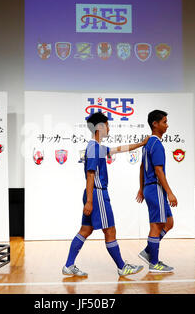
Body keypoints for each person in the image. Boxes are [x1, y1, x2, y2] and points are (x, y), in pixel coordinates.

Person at [62, 112, 148, 277]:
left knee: (85, 230)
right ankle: (122, 267)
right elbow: (90, 174)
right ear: (100, 127)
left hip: (93, 194)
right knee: (110, 231)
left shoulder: (97, 147)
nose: (109, 128)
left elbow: (119, 149)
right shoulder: (94, 148)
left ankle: (68, 265)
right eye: (107, 125)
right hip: (97, 195)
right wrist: (89, 201)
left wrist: (140, 144)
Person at [136, 110, 177, 273]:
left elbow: (141, 168)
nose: (167, 125)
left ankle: (148, 251)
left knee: (169, 222)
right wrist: (170, 192)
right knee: (157, 225)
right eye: (164, 122)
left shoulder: (148, 144)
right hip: (155, 188)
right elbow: (158, 171)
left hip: (149, 187)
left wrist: (141, 188)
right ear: (155, 124)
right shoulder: (156, 144)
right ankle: (154, 263)